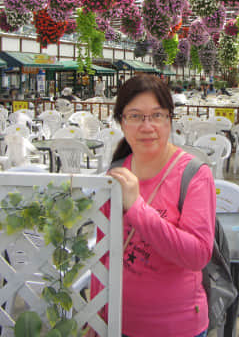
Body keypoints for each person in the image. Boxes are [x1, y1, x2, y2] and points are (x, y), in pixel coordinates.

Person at [90, 73, 215, 337]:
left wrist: (136, 207)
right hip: (118, 323)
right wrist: (94, 314)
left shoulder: (193, 174)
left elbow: (197, 255)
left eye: (157, 115)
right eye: (135, 116)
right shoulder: (116, 173)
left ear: (170, 120)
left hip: (178, 327)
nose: (147, 126)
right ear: (121, 123)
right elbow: (103, 253)